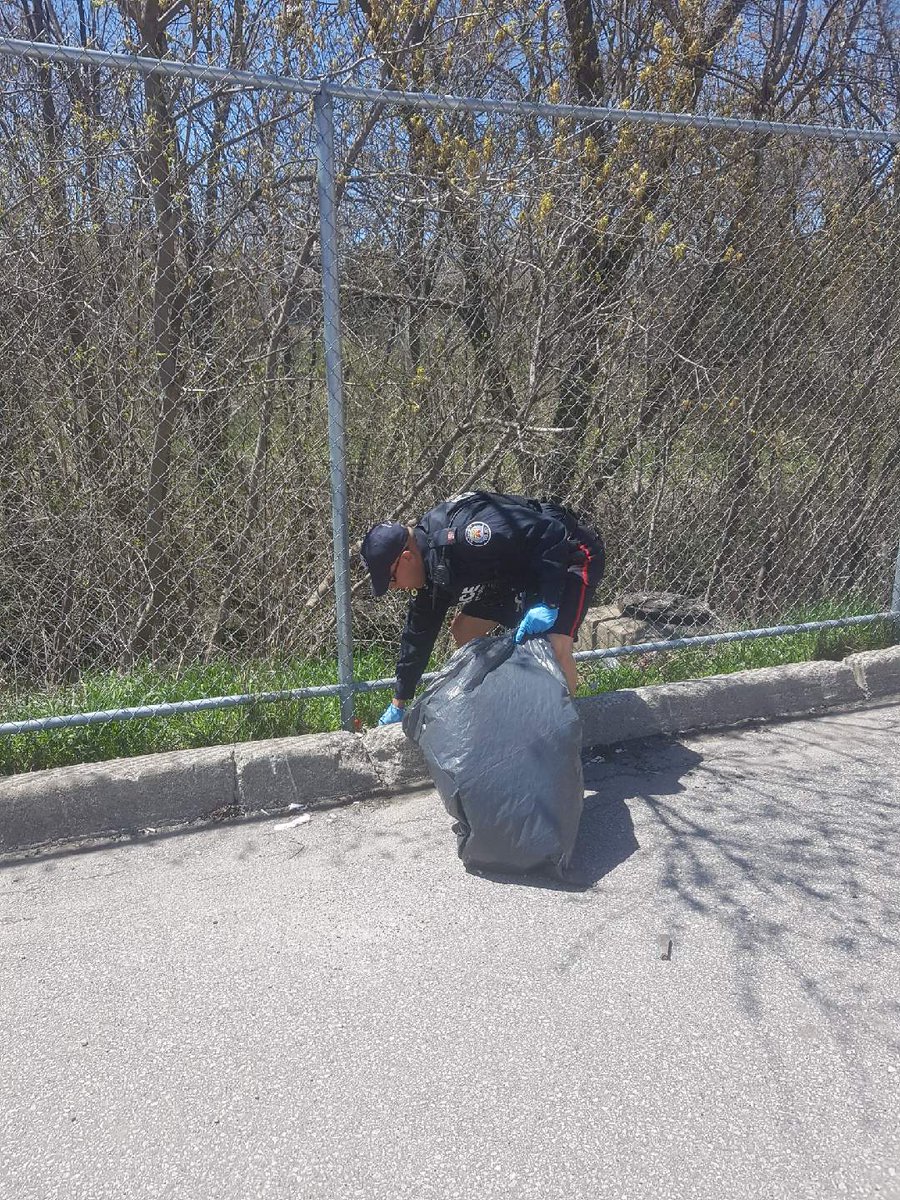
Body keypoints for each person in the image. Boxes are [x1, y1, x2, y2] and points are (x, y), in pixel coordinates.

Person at [360, 491, 605, 725]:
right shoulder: (431, 571)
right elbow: (418, 636)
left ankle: (569, 732)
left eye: (391, 580)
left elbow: (549, 532)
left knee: (554, 644)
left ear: (406, 558)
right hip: (518, 571)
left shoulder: (469, 537)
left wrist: (548, 602)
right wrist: (399, 702)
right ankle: (502, 704)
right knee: (465, 630)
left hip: (568, 551)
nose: (393, 588)